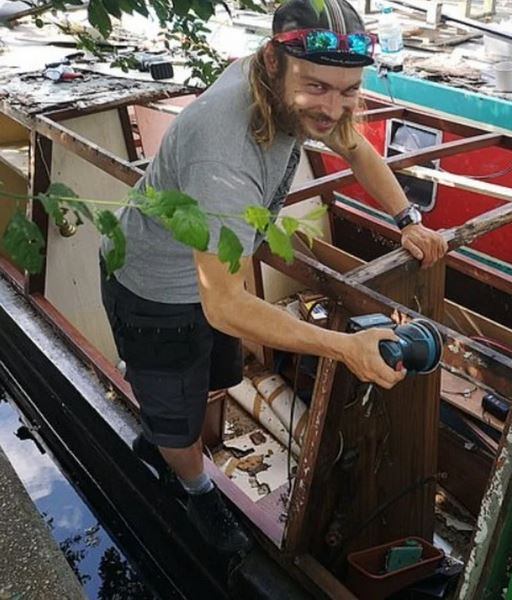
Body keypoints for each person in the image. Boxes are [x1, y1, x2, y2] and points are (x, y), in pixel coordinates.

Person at [100, 0, 448, 554]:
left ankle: (168, 418)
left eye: (348, 90)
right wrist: (344, 346)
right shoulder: (224, 150)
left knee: (214, 372)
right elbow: (226, 307)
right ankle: (193, 487)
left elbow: (354, 147)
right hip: (154, 287)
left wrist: (407, 218)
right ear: (272, 60)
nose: (333, 108)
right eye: (318, 88)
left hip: (211, 276)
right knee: (175, 420)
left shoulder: (292, 89)